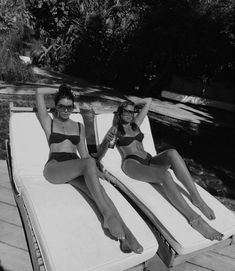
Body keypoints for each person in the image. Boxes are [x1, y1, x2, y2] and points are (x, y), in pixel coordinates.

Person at [35, 84, 143, 254]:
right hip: (55, 168)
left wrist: (98, 173)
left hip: (77, 167)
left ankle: (126, 237)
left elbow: (84, 155)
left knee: (100, 191)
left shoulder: (79, 126)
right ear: (56, 106)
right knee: (89, 166)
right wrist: (63, 88)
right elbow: (39, 92)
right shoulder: (49, 122)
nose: (65, 110)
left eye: (69, 106)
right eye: (61, 106)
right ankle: (108, 216)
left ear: (73, 107)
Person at [97, 98, 223, 241]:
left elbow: (149, 101)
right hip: (132, 164)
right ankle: (194, 219)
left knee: (172, 153)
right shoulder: (115, 130)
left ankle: (197, 198)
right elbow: (99, 155)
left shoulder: (135, 124)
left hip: (149, 159)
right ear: (119, 113)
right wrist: (107, 141)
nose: (128, 114)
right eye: (125, 111)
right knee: (165, 175)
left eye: (131, 112)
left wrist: (129, 103)